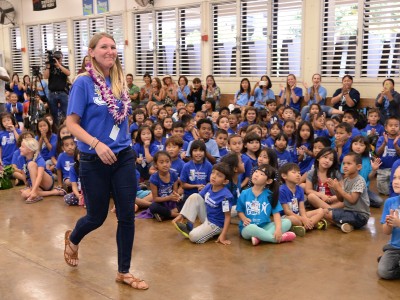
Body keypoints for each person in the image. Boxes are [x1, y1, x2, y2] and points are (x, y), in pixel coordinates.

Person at [64, 33, 148, 290]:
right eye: (104, 47)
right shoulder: (83, 83)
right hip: (93, 158)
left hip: (123, 157)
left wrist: (126, 143)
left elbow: (121, 118)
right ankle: (73, 238)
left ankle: (124, 271)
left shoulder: (119, 81)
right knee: (96, 216)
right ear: (91, 52)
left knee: (127, 216)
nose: (110, 50)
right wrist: (97, 144)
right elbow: (71, 124)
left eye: (113, 46)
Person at [172, 162, 234, 245]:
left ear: (225, 181)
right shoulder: (209, 186)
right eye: (213, 173)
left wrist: (223, 234)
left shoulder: (226, 196)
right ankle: (189, 225)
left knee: (193, 236)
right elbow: (197, 199)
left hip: (216, 224)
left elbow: (227, 217)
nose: (214, 176)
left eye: (219, 175)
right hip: (207, 217)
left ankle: (215, 232)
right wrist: (181, 215)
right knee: (195, 196)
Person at [237, 164, 296, 246]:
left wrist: (278, 229)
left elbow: (276, 214)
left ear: (268, 181)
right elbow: (240, 210)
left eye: (261, 174)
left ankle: (260, 238)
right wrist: (244, 218)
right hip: (247, 227)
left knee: (287, 222)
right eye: (256, 171)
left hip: (265, 226)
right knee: (252, 228)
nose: (256, 174)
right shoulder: (244, 193)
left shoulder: (270, 195)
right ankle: (278, 239)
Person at [324, 153, 370, 233]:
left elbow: (352, 200)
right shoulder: (346, 180)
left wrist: (339, 188)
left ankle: (349, 224)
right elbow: (341, 199)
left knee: (327, 214)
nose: (345, 166)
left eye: (349, 163)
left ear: (358, 167)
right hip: (349, 212)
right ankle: (348, 225)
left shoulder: (360, 181)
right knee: (326, 212)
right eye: (344, 163)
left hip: (360, 216)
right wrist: (336, 189)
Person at [279, 163, 326, 237]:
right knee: (293, 219)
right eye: (294, 172)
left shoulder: (300, 189)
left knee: (321, 211)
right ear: (284, 176)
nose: (298, 175)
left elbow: (301, 208)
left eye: (299, 172)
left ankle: (304, 226)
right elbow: (287, 211)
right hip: (286, 216)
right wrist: (303, 219)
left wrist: (304, 218)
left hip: (298, 214)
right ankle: (313, 224)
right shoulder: (282, 190)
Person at [377, 165, 400, 280]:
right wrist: (389, 224)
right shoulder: (390, 202)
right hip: (395, 247)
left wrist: (398, 223)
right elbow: (386, 232)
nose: (396, 181)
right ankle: (392, 262)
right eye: (394, 177)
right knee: (383, 272)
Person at [43, 50, 71, 125]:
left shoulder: (64, 67)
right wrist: (48, 67)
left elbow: (68, 73)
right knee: (53, 113)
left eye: (59, 58)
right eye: (56, 58)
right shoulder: (50, 68)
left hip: (63, 92)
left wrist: (59, 66)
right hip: (52, 93)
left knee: (65, 112)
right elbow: (45, 77)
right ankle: (55, 129)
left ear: (62, 58)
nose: (58, 60)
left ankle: (66, 127)